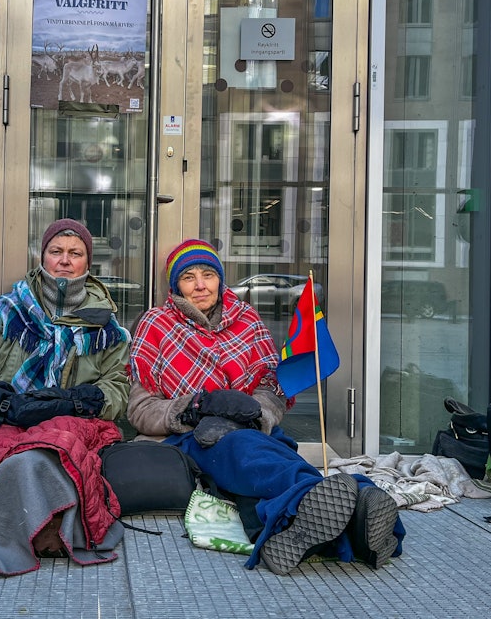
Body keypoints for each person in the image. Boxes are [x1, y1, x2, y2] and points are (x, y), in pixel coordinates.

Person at [127, 239, 402, 574]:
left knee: (268, 454)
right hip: (192, 437)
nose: (200, 285)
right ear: (175, 286)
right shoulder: (156, 324)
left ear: (220, 279)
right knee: (247, 451)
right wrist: (195, 407)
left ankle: (324, 524)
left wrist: (255, 412)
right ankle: (357, 504)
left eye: (208, 274)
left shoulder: (248, 320)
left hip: (253, 431)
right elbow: (140, 410)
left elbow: (272, 389)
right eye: (188, 277)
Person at [0, 218, 131, 576]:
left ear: (88, 263)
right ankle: (37, 529)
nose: (65, 260)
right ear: (42, 257)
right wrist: (0, 400)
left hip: (71, 424)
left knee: (53, 454)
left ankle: (28, 529)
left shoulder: (109, 329)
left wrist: (78, 402)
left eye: (76, 253)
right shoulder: (2, 312)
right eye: (56, 251)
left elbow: (118, 387)